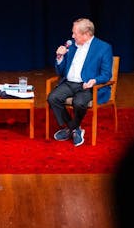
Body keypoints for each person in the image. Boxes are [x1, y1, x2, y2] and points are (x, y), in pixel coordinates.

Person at [47, 18, 114, 147]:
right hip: (69, 83)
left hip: (86, 86)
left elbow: (106, 74)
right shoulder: (71, 45)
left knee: (79, 102)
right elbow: (60, 72)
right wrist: (59, 57)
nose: (72, 36)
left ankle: (70, 129)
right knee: (53, 98)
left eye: (75, 33)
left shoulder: (103, 48)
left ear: (86, 34)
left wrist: (94, 80)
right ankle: (75, 129)